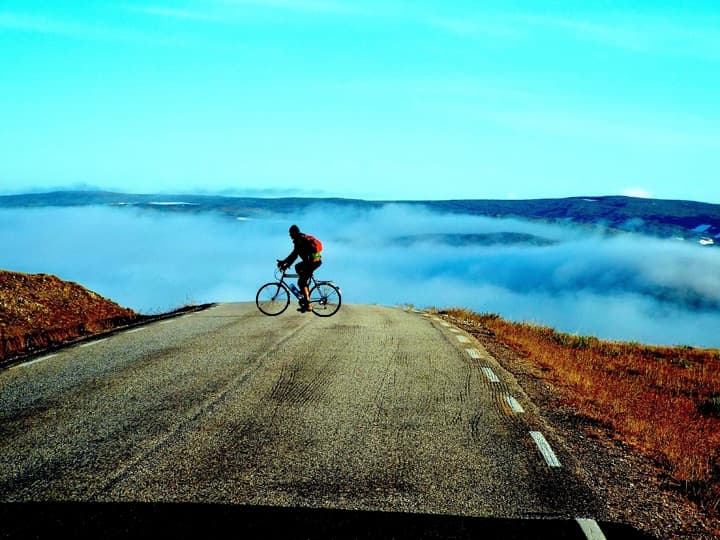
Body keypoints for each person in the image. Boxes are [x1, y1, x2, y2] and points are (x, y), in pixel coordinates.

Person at [278, 224, 323, 312]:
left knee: (301, 282)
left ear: (294, 233)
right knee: (298, 267)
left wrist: (285, 264)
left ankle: (308, 305)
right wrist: (284, 263)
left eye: (290, 233)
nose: (290, 235)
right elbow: (294, 255)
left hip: (313, 262)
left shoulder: (300, 240)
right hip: (313, 261)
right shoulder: (300, 239)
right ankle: (304, 291)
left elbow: (294, 255)